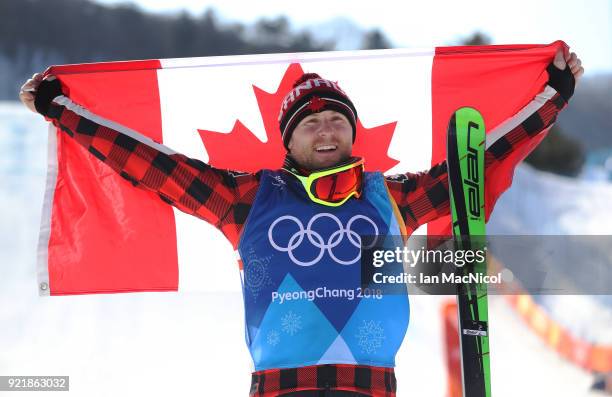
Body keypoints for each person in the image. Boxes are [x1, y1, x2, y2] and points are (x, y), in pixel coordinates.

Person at [20, 49, 583, 397]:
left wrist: (553, 96)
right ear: (287, 139)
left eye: (337, 119)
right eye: (310, 123)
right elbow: (157, 168)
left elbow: (476, 164)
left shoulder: (391, 198)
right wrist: (64, 111)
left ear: (352, 133)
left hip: (371, 390)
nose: (327, 130)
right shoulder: (248, 200)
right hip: (278, 391)